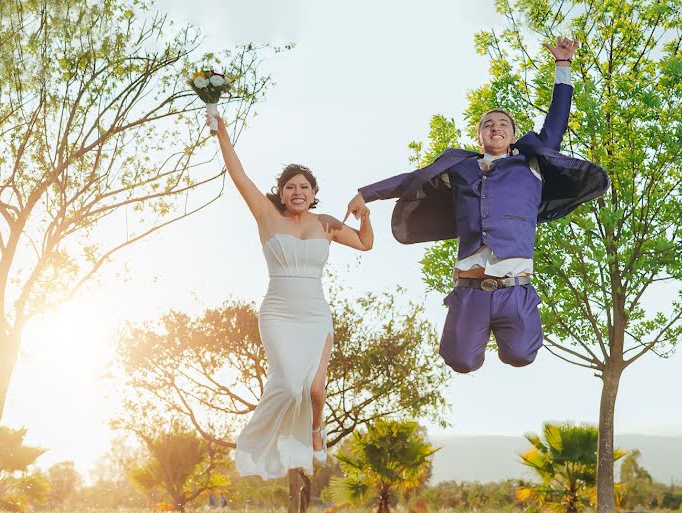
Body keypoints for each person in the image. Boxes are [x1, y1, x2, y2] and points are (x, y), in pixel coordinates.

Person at [346, 37, 609, 373]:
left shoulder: (531, 165)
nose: (495, 127)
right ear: (479, 136)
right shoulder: (459, 167)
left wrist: (563, 66)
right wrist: (366, 194)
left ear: (513, 136)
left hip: (515, 289)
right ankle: (473, 332)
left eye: (503, 124)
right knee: (460, 360)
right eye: (488, 124)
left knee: (521, 355)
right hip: (470, 289)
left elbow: (556, 122)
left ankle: (510, 329)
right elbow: (410, 179)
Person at [214, 115, 373, 479]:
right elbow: (239, 176)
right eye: (290, 187)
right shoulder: (266, 215)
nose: (297, 191)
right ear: (281, 193)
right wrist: (221, 132)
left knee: (316, 390)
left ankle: (317, 430)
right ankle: (255, 445)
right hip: (279, 314)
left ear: (315, 193)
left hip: (316, 314)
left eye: (304, 186)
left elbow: (365, 243)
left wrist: (364, 215)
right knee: (286, 383)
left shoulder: (328, 224)